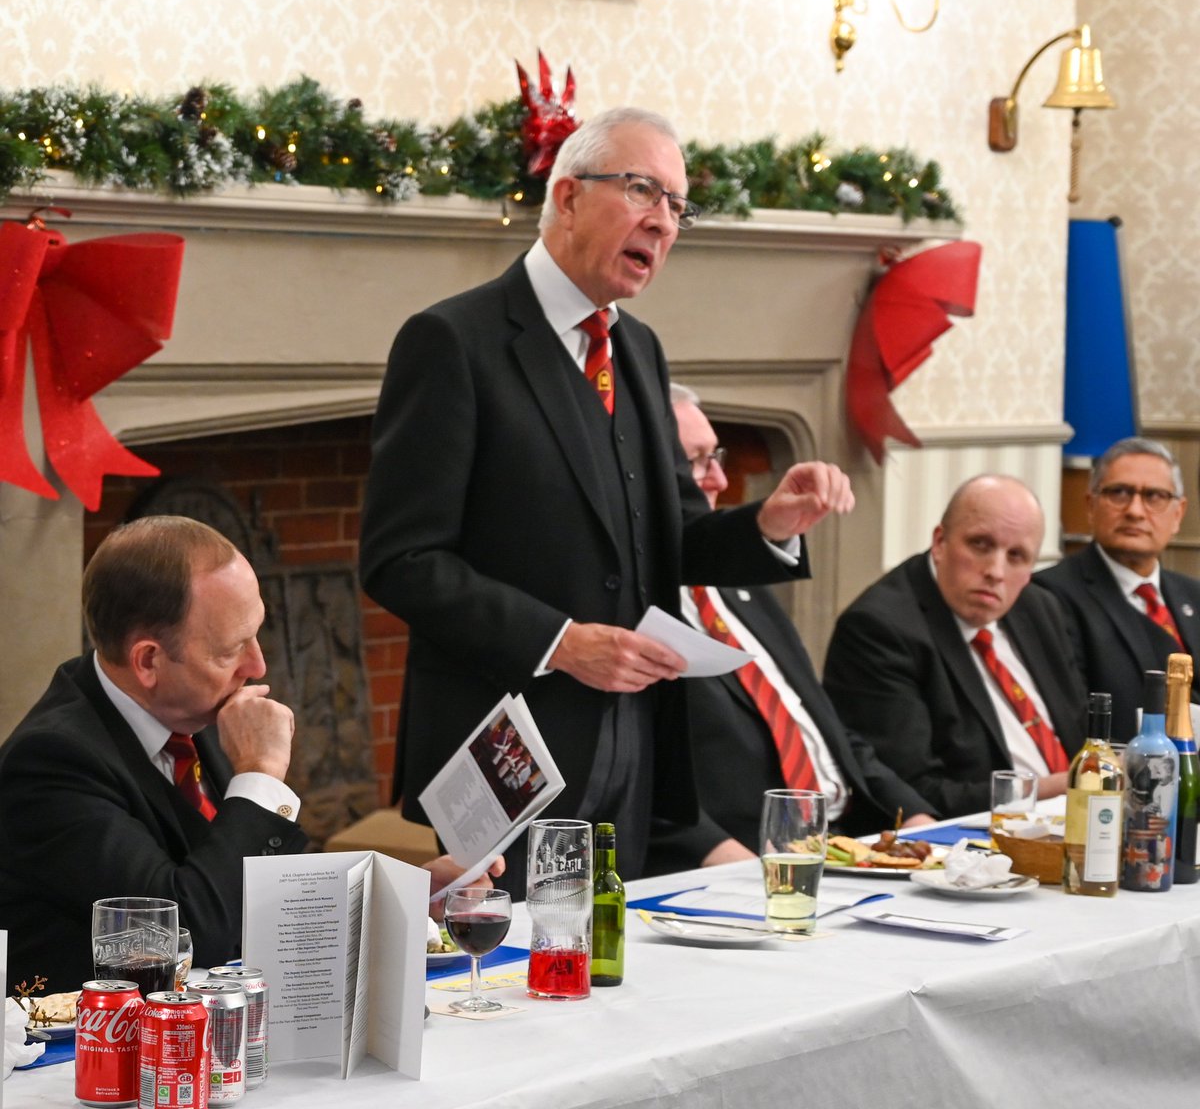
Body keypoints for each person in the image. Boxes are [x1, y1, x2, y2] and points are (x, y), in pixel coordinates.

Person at [359, 107, 854, 885]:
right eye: (641, 191)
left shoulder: (639, 349)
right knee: (510, 979)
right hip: (507, 741)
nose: (664, 223)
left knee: (605, 970)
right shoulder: (453, 341)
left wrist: (768, 522)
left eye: (677, 206)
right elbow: (401, 560)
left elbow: (674, 534)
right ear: (565, 196)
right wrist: (561, 642)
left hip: (636, 736)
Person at [0, 516, 497, 993]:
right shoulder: (50, 765)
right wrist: (259, 777)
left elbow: (269, 886)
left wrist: (408, 894)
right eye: (229, 650)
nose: (257, 666)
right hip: (78, 1061)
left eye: (256, 634)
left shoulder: (194, 706)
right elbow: (184, 938)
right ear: (148, 660)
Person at [646, 388, 936, 875]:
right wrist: (742, 868)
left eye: (715, 456)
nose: (718, 478)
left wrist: (918, 821)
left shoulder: (742, 583)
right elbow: (638, 779)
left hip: (850, 840)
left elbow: (818, 723)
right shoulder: (624, 609)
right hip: (737, 860)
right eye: (695, 463)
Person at [823, 475, 1087, 819]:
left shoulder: (1040, 609)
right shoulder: (880, 629)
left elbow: (1080, 732)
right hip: (975, 839)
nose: (995, 571)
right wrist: (1065, 786)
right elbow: (917, 791)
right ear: (939, 541)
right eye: (980, 545)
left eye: (1017, 556)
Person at [1035, 437, 1200, 741]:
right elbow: (1074, 724)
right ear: (1090, 505)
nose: (1136, 511)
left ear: (1178, 514)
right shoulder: (1050, 595)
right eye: (1119, 493)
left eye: (1154, 496)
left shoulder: (1194, 595)